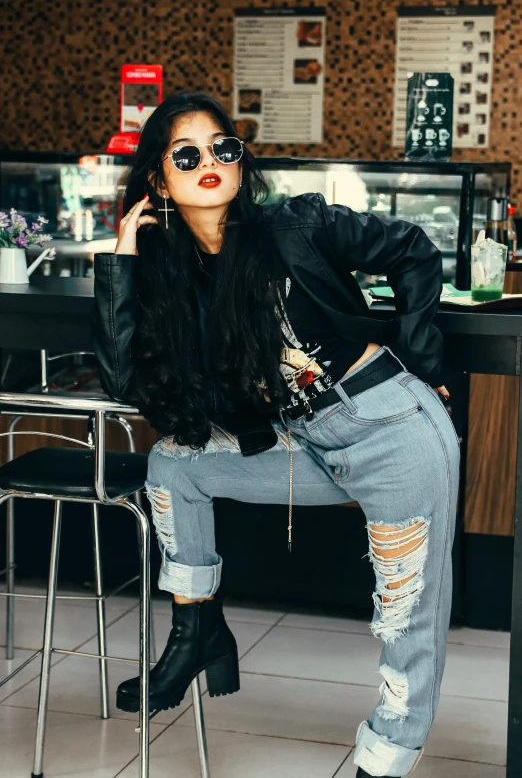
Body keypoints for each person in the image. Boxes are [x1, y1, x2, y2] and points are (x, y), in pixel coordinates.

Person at [92, 91, 460, 778]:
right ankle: (197, 625)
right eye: (187, 153)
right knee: (173, 466)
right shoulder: (177, 278)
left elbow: (413, 249)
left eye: (223, 147)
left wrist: (425, 359)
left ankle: (380, 763)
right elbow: (123, 382)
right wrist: (122, 255)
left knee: (406, 619)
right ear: (157, 179)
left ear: (240, 161)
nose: (210, 161)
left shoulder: (294, 225)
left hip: (393, 429)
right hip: (308, 447)